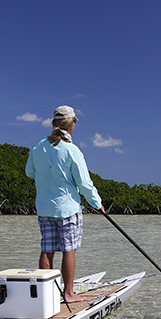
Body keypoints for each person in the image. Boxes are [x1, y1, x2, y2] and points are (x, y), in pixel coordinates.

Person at [25, 105, 105, 303]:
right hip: (68, 209)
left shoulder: (38, 147)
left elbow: (30, 172)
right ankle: (68, 293)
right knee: (69, 250)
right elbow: (84, 183)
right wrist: (97, 203)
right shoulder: (71, 150)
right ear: (71, 123)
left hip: (44, 208)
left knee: (47, 249)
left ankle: (46, 295)